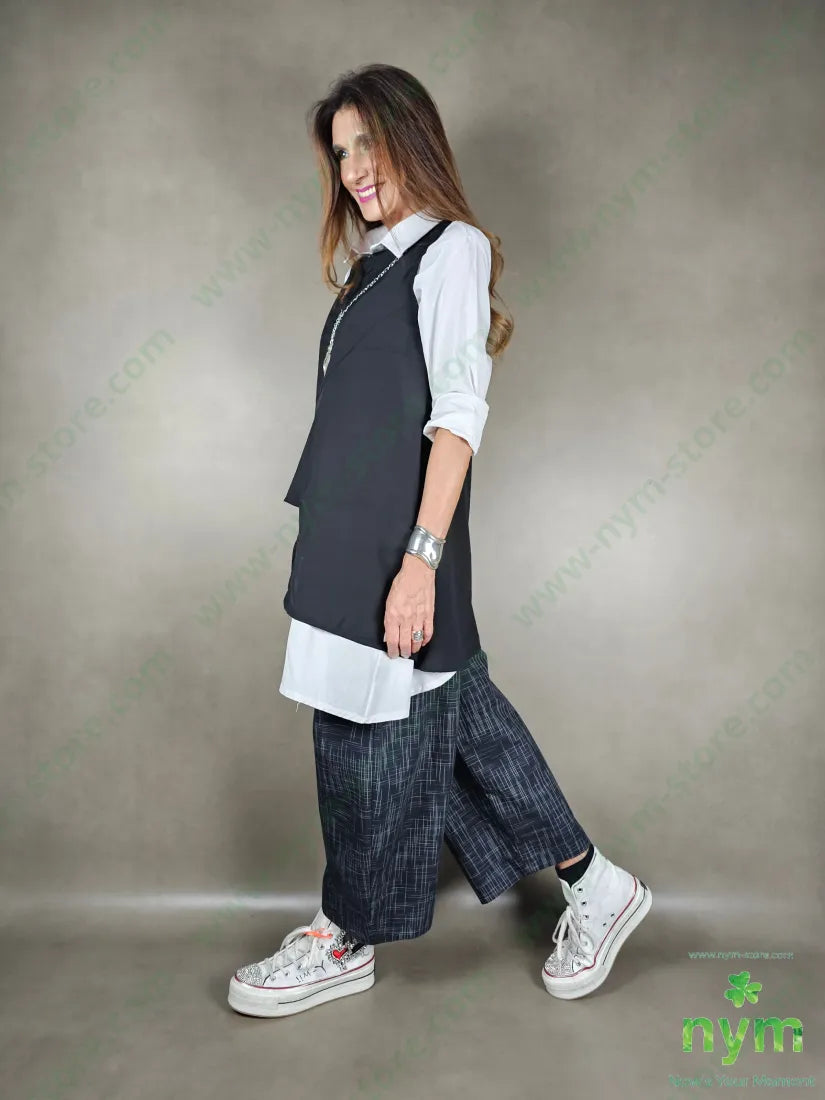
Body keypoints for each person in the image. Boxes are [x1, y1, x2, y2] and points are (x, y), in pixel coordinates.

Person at [227, 63, 652, 1019]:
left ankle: (346, 935)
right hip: (347, 541)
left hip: (397, 546)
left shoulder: (449, 250)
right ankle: (595, 884)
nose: (353, 171)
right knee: (455, 723)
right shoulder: (372, 266)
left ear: (410, 139)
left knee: (366, 739)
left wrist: (418, 562)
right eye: (340, 154)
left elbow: (457, 417)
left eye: (367, 145)